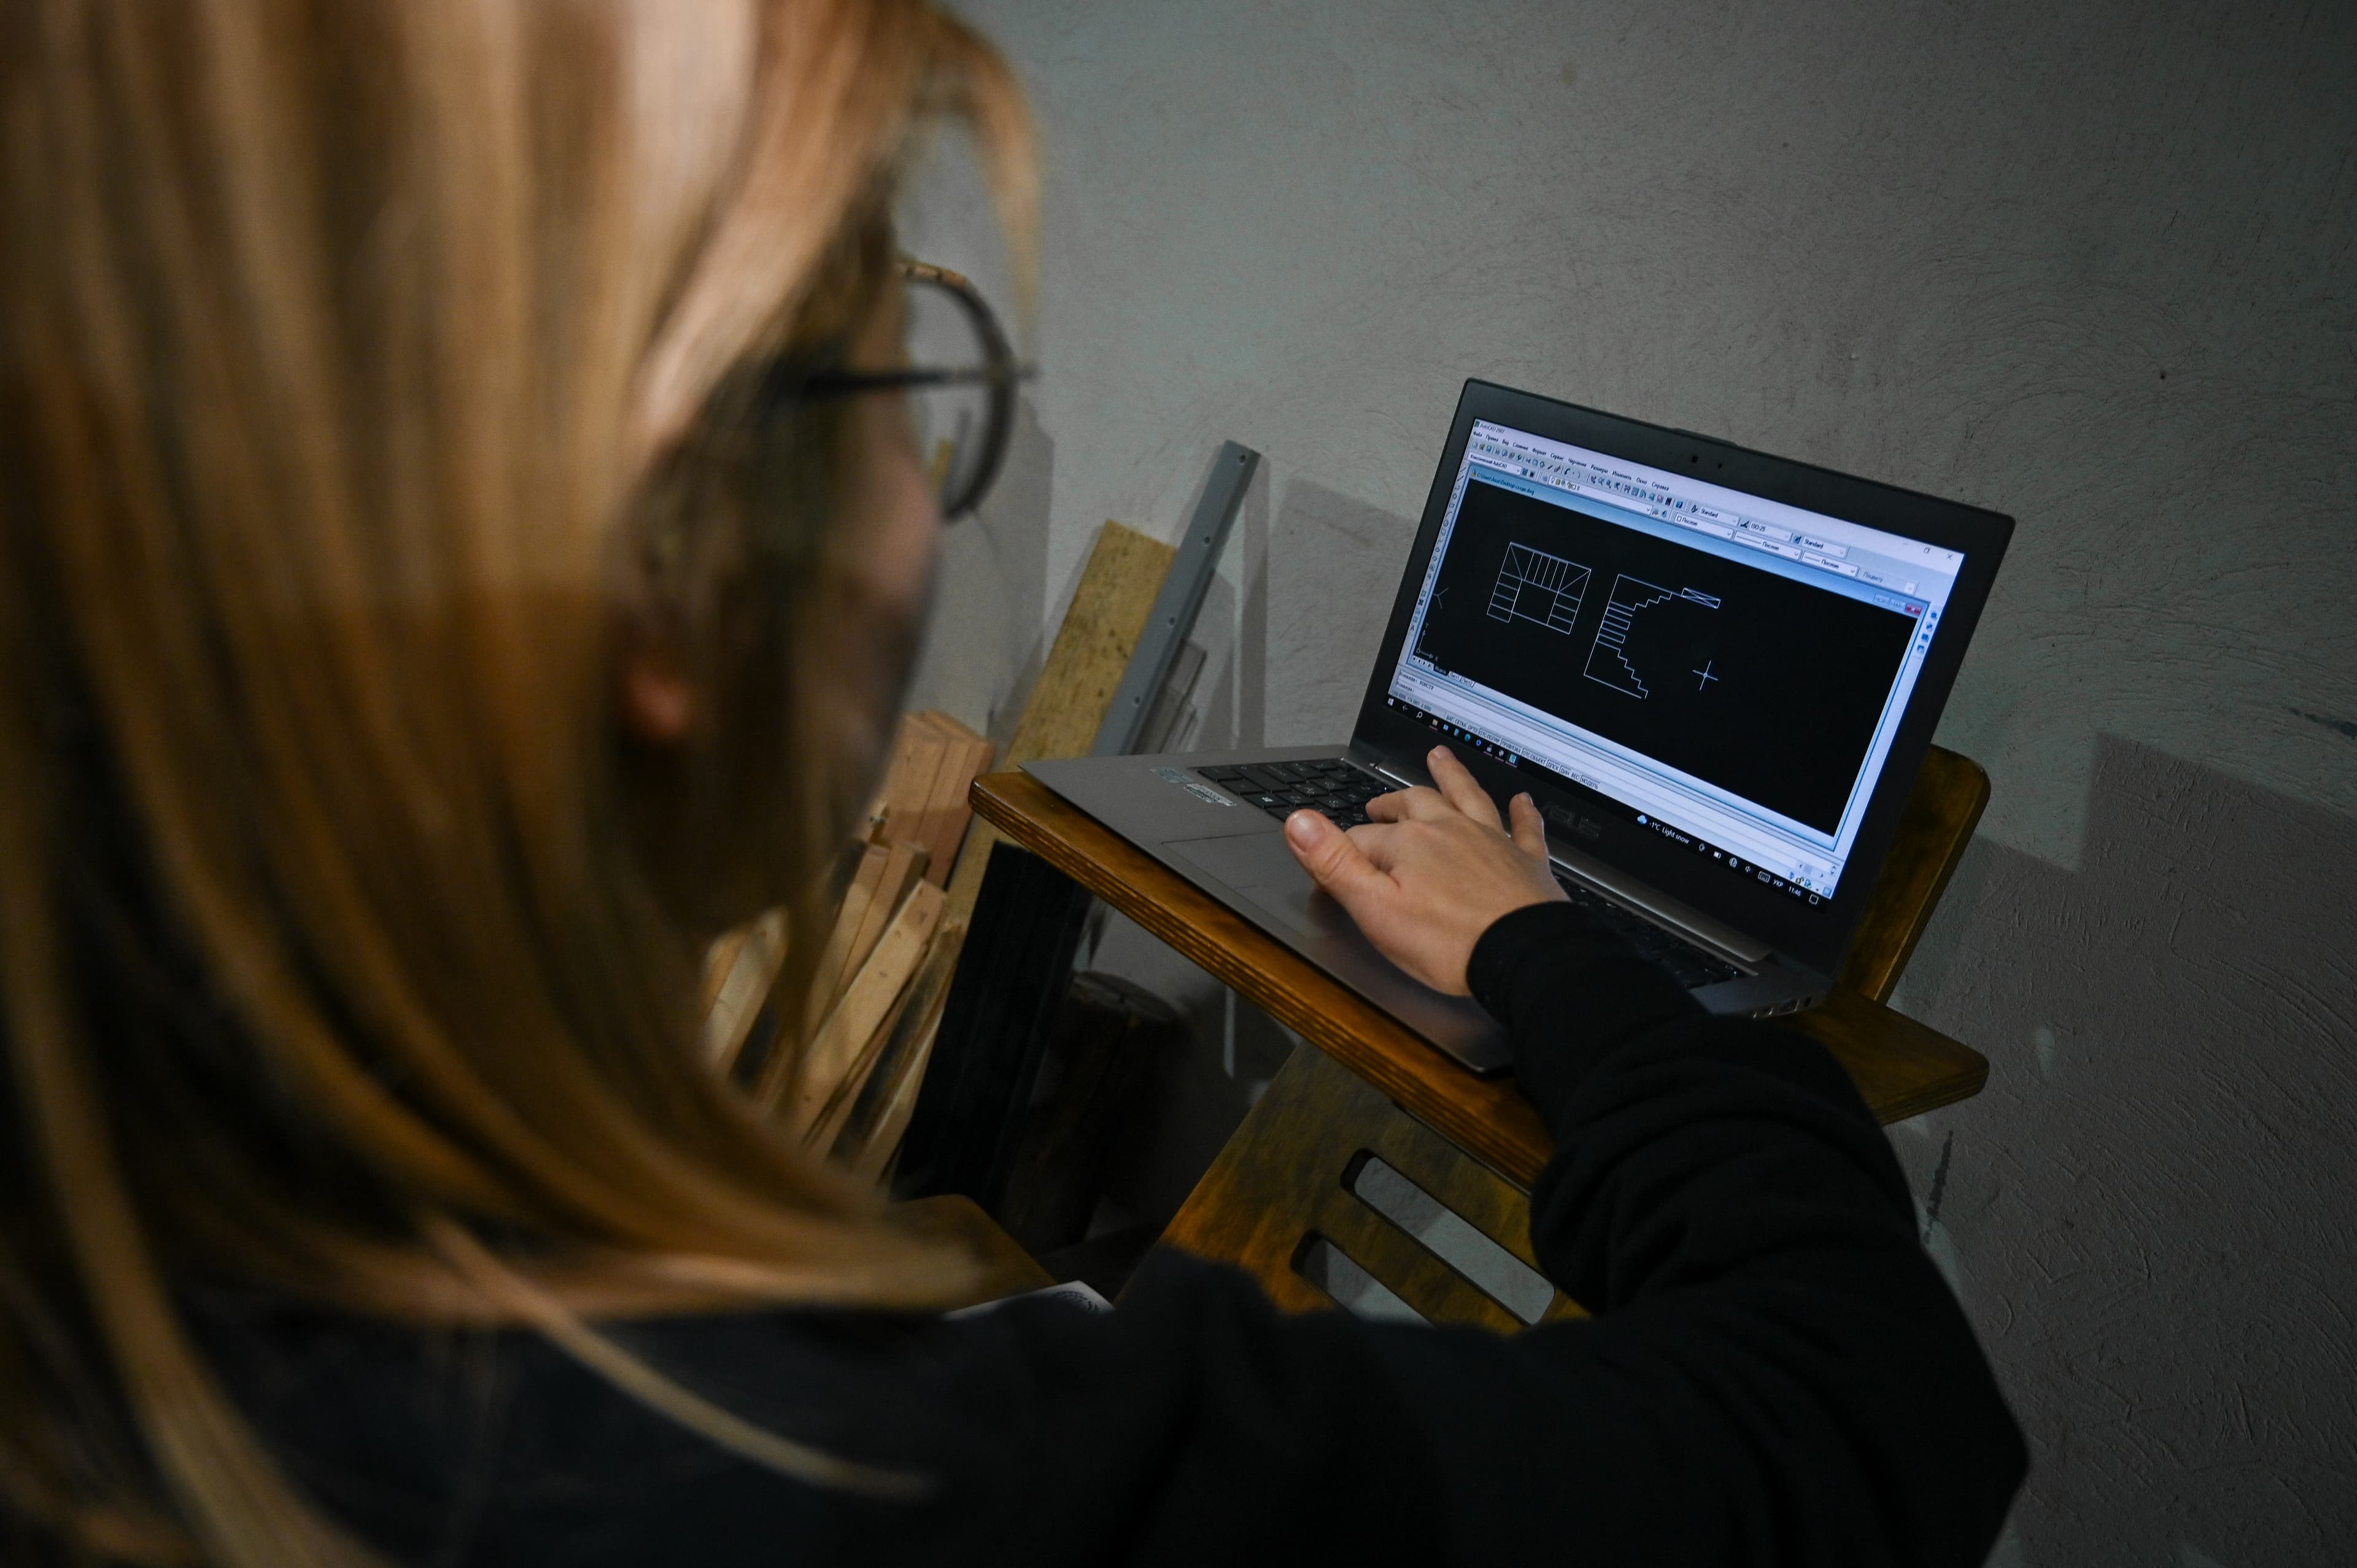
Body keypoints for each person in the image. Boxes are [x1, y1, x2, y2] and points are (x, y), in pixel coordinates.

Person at [0, 2, 2026, 1564]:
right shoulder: (892, 1484)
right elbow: (1873, 1408)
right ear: (667, 590)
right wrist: (1550, 950)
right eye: (890, 350)